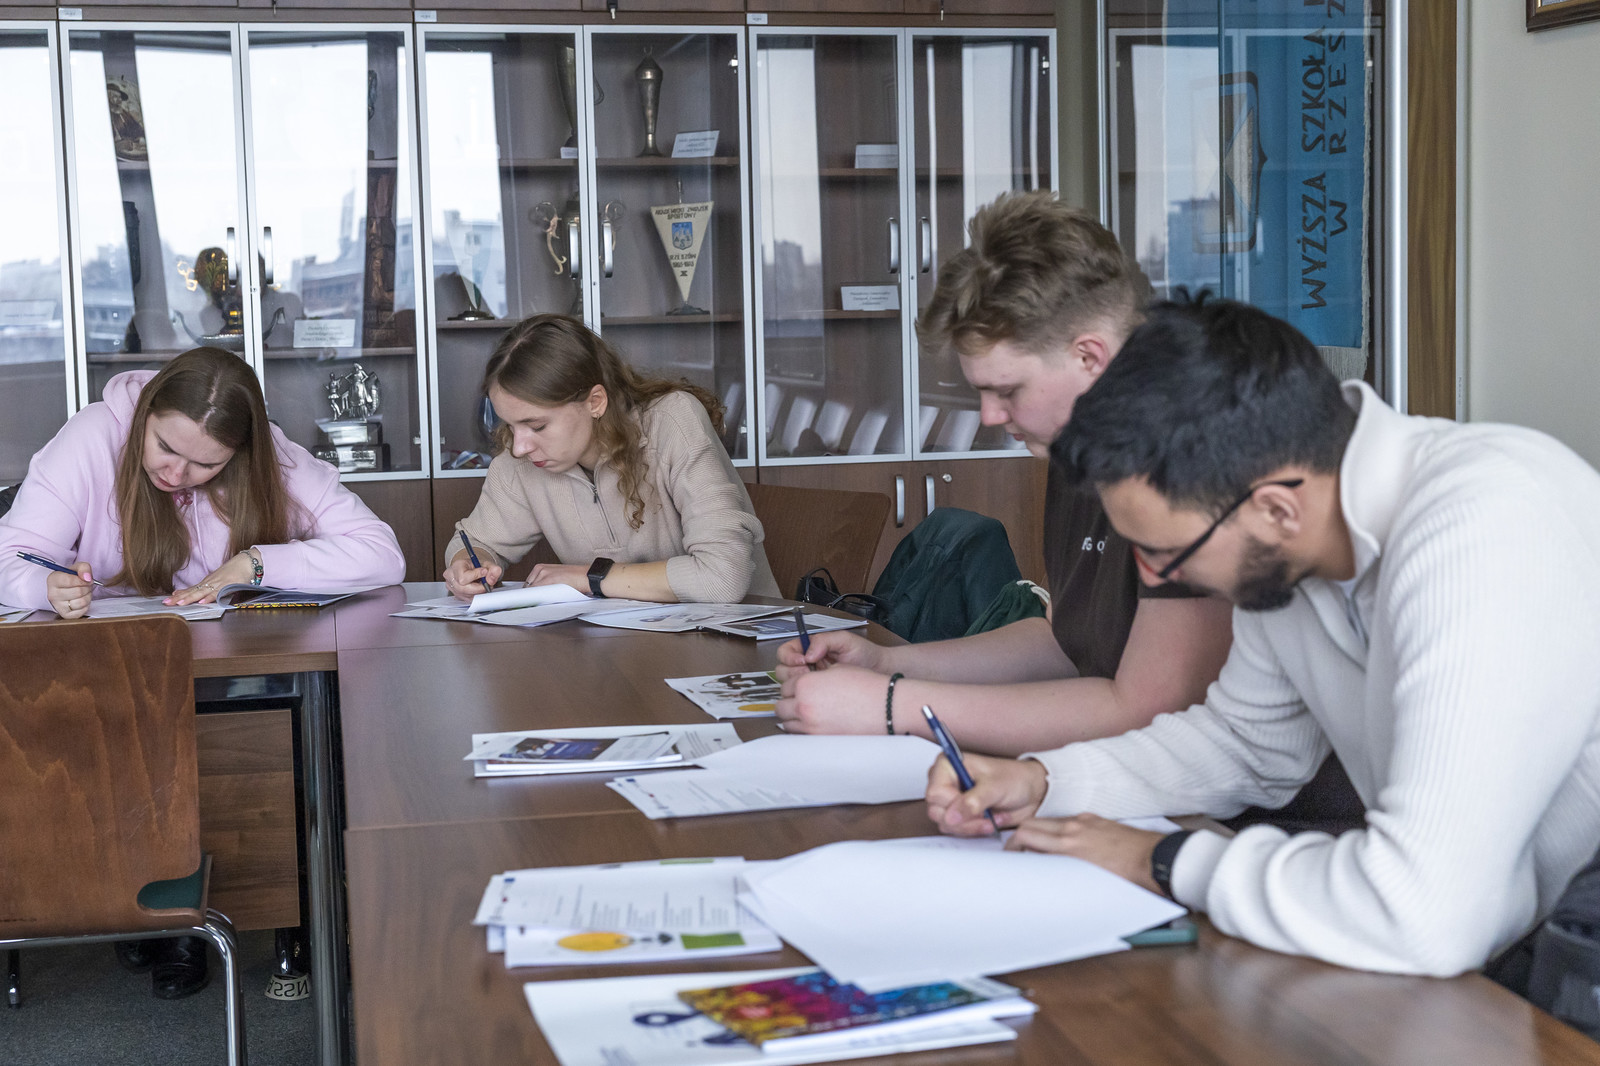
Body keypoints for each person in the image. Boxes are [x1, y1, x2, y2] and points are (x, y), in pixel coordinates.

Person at [929, 294, 1600, 977]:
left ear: (1277, 509)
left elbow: (1426, 912)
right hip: (1501, 949)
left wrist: (1162, 860)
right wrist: (1050, 780)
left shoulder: (1487, 530)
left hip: (1561, 971)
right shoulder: (1290, 538)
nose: (1157, 579)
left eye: (1166, 552)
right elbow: (1245, 742)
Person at [0, 346, 406, 998]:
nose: (177, 473)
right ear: (146, 413)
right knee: (143, 738)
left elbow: (381, 553)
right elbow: (10, 556)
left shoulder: (270, 456)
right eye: (165, 448)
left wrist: (255, 563)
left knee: (256, 749)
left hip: (229, 672)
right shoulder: (94, 437)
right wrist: (44, 586)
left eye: (205, 464)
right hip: (111, 676)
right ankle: (144, 902)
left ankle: (227, 910)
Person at [771, 191, 1234, 755]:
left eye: (1007, 390)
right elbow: (1063, 645)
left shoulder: (1192, 461)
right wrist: (887, 663)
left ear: (1090, 357)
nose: (989, 416)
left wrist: (894, 705)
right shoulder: (1074, 445)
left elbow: (1144, 712)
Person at [443, 314, 778, 603]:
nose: (519, 447)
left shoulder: (673, 422)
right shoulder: (524, 460)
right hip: (624, 644)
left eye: (537, 425)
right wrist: (467, 566)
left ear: (595, 402)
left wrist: (589, 577)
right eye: (510, 425)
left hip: (734, 639)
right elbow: (475, 541)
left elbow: (723, 576)